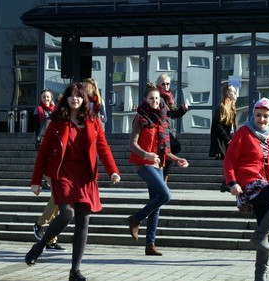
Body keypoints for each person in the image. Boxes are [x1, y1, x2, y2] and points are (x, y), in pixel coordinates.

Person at [25, 83, 121, 281]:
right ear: (66, 99)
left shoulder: (93, 121)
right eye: (71, 96)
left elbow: (103, 147)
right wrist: (35, 181)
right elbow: (43, 152)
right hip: (62, 173)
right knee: (67, 214)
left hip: (86, 175)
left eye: (78, 96)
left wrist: (113, 171)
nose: (74, 99)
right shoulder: (57, 121)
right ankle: (39, 246)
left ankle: (74, 271)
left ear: (83, 99)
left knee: (83, 222)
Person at [224, 98, 269, 281]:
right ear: (253, 114)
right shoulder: (244, 132)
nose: (261, 119)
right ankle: (258, 235)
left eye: (265, 116)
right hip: (249, 185)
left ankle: (260, 276)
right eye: (258, 115)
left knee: (268, 236)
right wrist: (232, 183)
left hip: (266, 183)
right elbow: (229, 160)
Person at [127, 83, 189, 256]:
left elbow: (165, 150)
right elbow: (132, 144)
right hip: (143, 164)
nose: (155, 101)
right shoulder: (140, 118)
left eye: (157, 98)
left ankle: (150, 244)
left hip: (159, 164)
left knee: (157, 204)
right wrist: (145, 154)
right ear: (145, 100)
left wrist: (177, 160)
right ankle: (135, 218)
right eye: (151, 98)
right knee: (165, 195)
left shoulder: (162, 120)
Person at [31, 88, 65, 251]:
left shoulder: (70, 123)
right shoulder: (51, 121)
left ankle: (50, 238)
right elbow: (40, 143)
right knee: (59, 197)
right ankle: (40, 225)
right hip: (50, 167)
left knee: (60, 201)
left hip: (64, 168)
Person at [156, 74, 188, 182]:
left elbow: (173, 114)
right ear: (158, 85)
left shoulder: (169, 97)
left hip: (170, 129)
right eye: (163, 84)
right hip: (161, 130)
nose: (165, 86)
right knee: (174, 148)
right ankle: (163, 177)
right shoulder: (158, 98)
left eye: (168, 84)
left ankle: (163, 177)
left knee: (168, 152)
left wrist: (183, 110)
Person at [209, 83, 238, 160]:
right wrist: (227, 139)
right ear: (227, 93)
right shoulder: (222, 107)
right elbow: (218, 125)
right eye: (233, 91)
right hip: (224, 142)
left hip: (229, 139)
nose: (235, 93)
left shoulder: (232, 109)